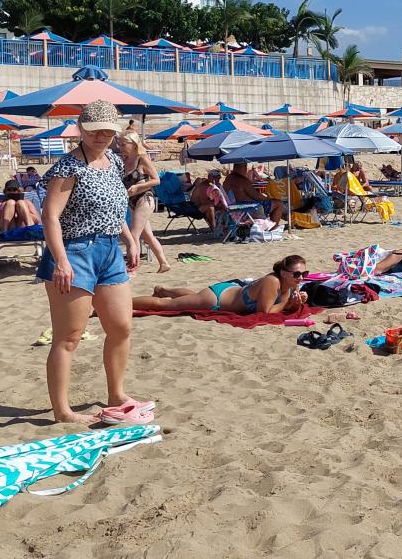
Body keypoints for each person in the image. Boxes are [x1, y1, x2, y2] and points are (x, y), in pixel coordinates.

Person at [35, 101, 148, 425]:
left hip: (109, 250)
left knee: (121, 326)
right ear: (81, 129)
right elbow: (50, 217)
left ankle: (117, 394)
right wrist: (61, 260)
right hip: (74, 251)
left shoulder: (113, 160)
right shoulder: (68, 167)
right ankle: (63, 411)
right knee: (69, 336)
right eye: (94, 130)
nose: (101, 136)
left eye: (108, 131)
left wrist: (130, 238)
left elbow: (113, 206)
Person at [134, 255, 312, 314]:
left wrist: (295, 303)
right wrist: (286, 304)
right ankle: (124, 305)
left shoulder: (292, 283)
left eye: (304, 274)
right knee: (164, 306)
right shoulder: (272, 282)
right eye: (297, 274)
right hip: (216, 300)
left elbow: (283, 306)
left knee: (194, 296)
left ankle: (163, 290)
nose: (301, 277)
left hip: (227, 293)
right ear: (284, 273)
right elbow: (264, 312)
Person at [118, 132, 170, 273]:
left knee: (134, 235)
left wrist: (137, 187)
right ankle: (164, 263)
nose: (120, 147)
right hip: (132, 201)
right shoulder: (123, 160)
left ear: (134, 144)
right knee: (147, 236)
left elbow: (156, 180)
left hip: (145, 198)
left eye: (123, 144)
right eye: (120, 144)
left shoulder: (142, 159)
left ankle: (133, 267)